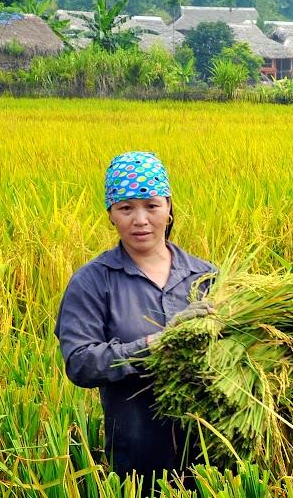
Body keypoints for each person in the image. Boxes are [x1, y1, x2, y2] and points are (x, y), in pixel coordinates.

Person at [54, 151, 217, 484]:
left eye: (152, 206)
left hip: (213, 461)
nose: (140, 219)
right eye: (126, 208)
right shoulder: (92, 282)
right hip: (137, 469)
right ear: (111, 215)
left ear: (169, 208)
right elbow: (81, 363)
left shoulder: (207, 277)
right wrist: (151, 345)